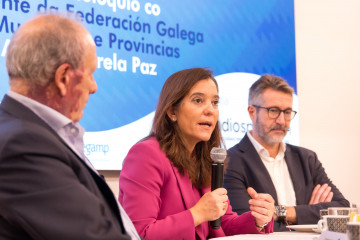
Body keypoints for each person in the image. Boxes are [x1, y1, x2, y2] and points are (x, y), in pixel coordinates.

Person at [0, 13, 140, 239]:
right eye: (91, 74)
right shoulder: (23, 144)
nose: (94, 88)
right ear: (63, 78)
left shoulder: (34, 134)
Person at [118, 68, 275, 240]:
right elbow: (140, 234)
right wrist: (197, 214)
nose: (210, 110)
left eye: (215, 102)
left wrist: (258, 219)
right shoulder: (146, 155)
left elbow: (224, 224)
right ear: (172, 112)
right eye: (198, 100)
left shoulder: (208, 159)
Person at [224, 74, 349, 231]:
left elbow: (342, 209)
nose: (282, 120)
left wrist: (282, 212)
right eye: (273, 110)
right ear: (252, 112)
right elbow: (245, 223)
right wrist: (307, 214)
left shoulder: (307, 159)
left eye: (288, 112)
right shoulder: (231, 161)